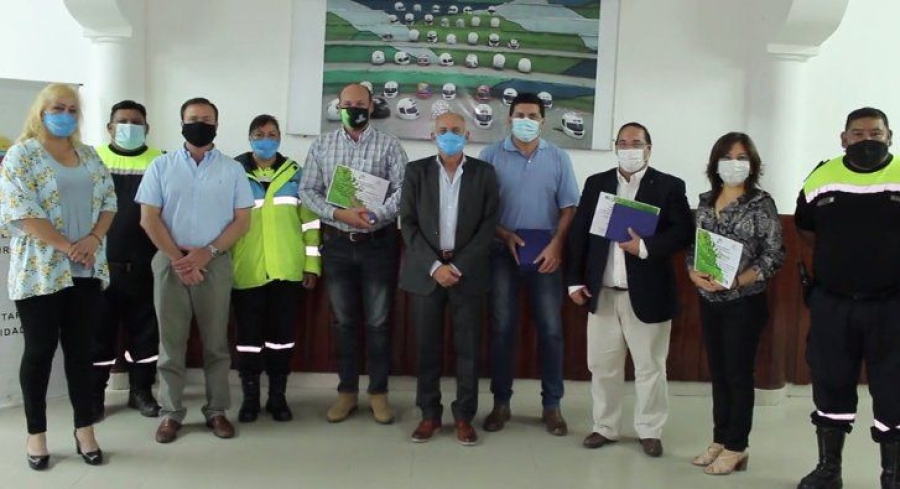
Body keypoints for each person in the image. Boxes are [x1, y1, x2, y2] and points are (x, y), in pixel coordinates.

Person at [0, 83, 115, 468]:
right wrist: (68, 247)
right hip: (40, 272)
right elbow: (21, 211)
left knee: (82, 353)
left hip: (86, 268)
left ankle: (85, 430)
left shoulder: (89, 155)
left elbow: (109, 202)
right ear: (41, 111)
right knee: (39, 352)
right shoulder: (22, 155)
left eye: (71, 109)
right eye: (57, 108)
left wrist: (93, 239)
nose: (65, 115)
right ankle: (36, 435)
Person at [566, 122, 693, 457]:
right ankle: (604, 427)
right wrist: (574, 279)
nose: (629, 148)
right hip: (602, 291)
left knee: (650, 367)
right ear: (615, 147)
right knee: (602, 365)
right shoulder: (597, 183)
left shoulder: (668, 185)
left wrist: (646, 247)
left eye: (636, 143)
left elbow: (683, 232)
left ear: (649, 148)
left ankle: (649, 430)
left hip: (648, 292)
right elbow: (579, 232)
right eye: (623, 142)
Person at [136, 97, 253, 443]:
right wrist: (179, 259)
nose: (199, 123)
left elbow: (242, 221)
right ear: (182, 123)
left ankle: (217, 411)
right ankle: (171, 413)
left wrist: (207, 253)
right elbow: (148, 218)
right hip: (169, 261)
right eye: (193, 118)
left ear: (216, 125)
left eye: (206, 119)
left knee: (216, 343)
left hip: (214, 263)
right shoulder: (161, 166)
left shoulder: (232, 170)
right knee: (171, 343)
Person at [795, 107, 900, 489]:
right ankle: (829, 470)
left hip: (892, 305)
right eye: (858, 134)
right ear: (844, 138)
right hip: (833, 304)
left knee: (894, 389)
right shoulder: (822, 176)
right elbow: (806, 229)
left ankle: (893, 475)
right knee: (830, 383)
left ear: (889, 136)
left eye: (875, 133)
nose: (867, 140)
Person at [299, 83, 407, 424]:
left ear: (371, 107)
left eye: (360, 104)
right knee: (343, 322)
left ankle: (378, 394)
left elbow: (404, 190)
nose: (354, 109)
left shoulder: (390, 145)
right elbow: (308, 190)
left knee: (379, 322)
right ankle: (347, 392)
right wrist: (338, 214)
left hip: (379, 244)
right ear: (339, 107)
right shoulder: (322, 145)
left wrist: (377, 215)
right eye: (348, 104)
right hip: (337, 244)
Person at [479, 92, 580, 437]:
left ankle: (552, 405)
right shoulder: (490, 155)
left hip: (545, 254)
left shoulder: (559, 157)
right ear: (509, 119)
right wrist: (503, 233)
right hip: (501, 253)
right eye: (520, 115)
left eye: (532, 116)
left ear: (542, 121)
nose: (526, 121)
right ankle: (500, 403)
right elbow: (478, 209)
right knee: (502, 328)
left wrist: (557, 245)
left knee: (551, 330)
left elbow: (569, 207)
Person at [685, 132, 785, 475]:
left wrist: (741, 279)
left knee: (738, 374)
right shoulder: (706, 200)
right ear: (715, 163)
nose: (734, 163)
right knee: (719, 373)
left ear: (752, 164)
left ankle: (737, 446)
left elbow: (774, 254)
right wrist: (692, 273)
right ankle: (720, 439)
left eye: (741, 157)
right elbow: (695, 247)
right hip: (709, 299)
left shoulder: (761, 203)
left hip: (745, 302)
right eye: (727, 157)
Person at [400, 112, 499, 446]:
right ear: (432, 135)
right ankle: (429, 414)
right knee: (426, 348)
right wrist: (434, 266)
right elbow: (407, 223)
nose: (449, 135)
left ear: (468, 135)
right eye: (443, 130)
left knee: (468, 350)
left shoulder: (484, 173)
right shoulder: (416, 171)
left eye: (456, 130)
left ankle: (464, 417)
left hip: (467, 273)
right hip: (426, 272)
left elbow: (488, 225)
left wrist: (457, 267)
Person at [231, 114, 320, 423]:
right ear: (249, 137)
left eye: (272, 134)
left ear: (280, 138)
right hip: (245, 270)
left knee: (282, 339)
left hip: (287, 270)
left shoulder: (296, 174)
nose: (266, 139)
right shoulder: (233, 173)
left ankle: (277, 397)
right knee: (248, 340)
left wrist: (311, 265)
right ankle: (250, 399)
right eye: (259, 134)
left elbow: (310, 224)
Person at [91, 100, 164, 421]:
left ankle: (141, 391)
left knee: (145, 335)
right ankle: (95, 396)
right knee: (97, 336)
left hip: (146, 266)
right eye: (123, 121)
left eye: (136, 122)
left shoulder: (161, 161)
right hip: (99, 267)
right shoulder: (91, 159)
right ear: (110, 127)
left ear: (147, 128)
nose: (129, 127)